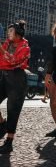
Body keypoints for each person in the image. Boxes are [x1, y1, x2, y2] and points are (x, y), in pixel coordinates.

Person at [0, 20, 30, 154]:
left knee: (13, 110)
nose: (8, 33)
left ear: (18, 34)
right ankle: (2, 124)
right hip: (4, 76)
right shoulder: (7, 43)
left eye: (11, 31)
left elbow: (13, 61)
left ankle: (9, 140)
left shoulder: (25, 47)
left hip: (17, 79)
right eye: (8, 30)